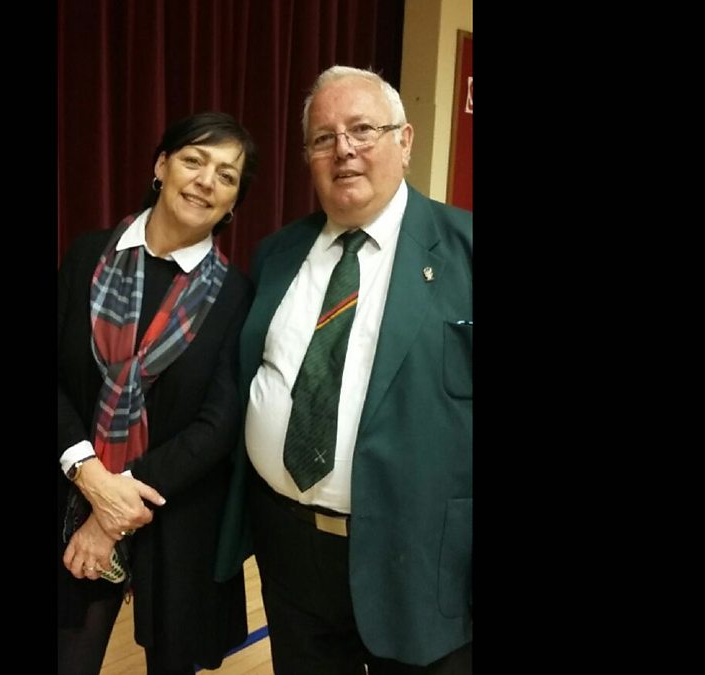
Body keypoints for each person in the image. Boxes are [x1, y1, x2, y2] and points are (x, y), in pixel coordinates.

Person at [214, 66, 473, 673]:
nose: (344, 149)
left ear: (404, 140)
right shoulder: (277, 254)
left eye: (362, 130)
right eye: (324, 138)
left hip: (425, 561)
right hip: (290, 551)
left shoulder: (465, 250)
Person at [58, 111, 257, 675]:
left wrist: (114, 509)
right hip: (71, 490)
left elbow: (218, 424)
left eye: (227, 175)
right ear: (162, 165)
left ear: (233, 202)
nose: (206, 181)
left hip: (174, 514)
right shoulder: (86, 256)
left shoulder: (236, 294)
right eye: (194, 160)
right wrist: (89, 476)